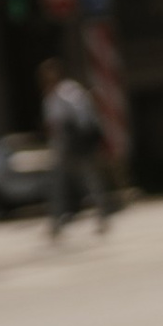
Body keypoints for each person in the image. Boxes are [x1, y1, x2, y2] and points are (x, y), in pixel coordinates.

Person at [37, 58, 113, 238]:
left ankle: (102, 216)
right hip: (61, 146)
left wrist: (82, 139)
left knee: (88, 181)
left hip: (75, 144)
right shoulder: (49, 96)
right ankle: (56, 223)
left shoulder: (68, 91)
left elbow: (82, 117)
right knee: (59, 184)